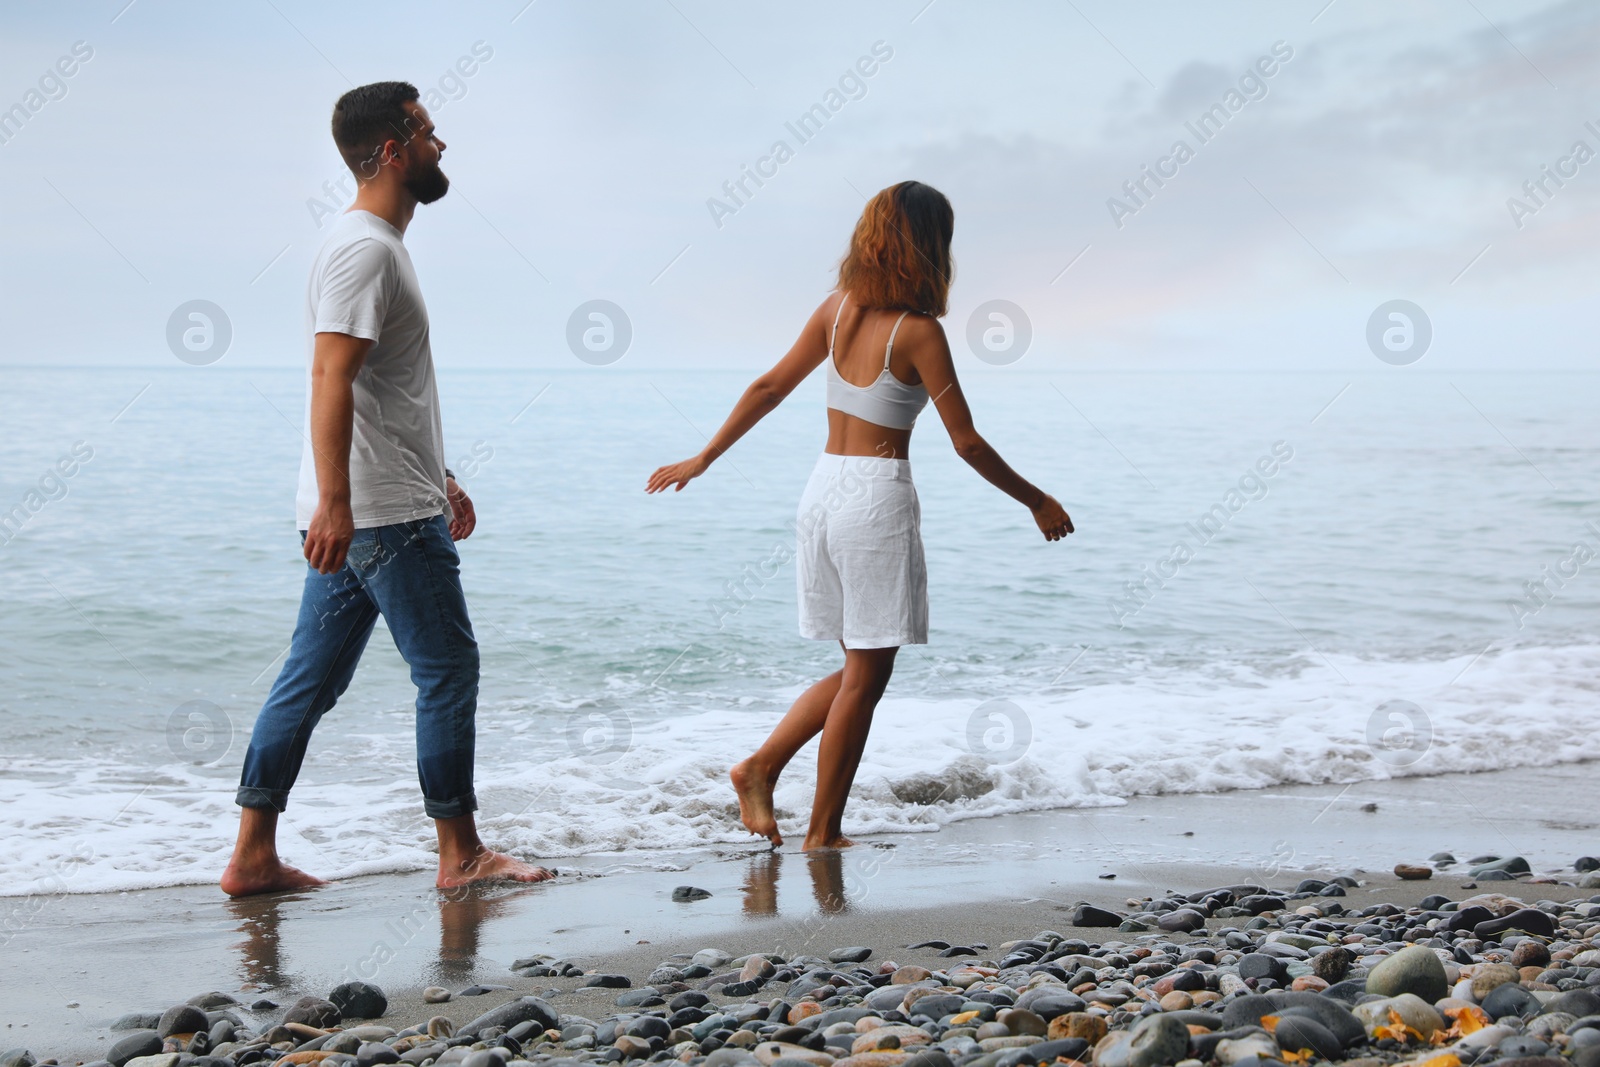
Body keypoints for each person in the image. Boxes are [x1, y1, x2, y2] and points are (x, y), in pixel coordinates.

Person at [647, 181, 1072, 851]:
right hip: (875, 497)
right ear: (932, 248)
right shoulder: (920, 332)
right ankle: (822, 831)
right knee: (868, 677)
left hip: (822, 489)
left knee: (857, 668)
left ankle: (759, 768)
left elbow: (768, 387)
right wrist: (1035, 499)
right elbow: (966, 441)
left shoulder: (835, 310)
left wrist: (704, 457)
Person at [221, 81, 552, 897]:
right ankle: (460, 853)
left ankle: (253, 855)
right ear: (395, 149)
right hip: (382, 516)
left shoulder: (369, 245)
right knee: (448, 668)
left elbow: (376, 390)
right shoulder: (366, 248)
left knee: (311, 677)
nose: (443, 145)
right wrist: (342, 501)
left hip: (380, 502)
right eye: (430, 132)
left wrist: (436, 474)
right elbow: (330, 375)